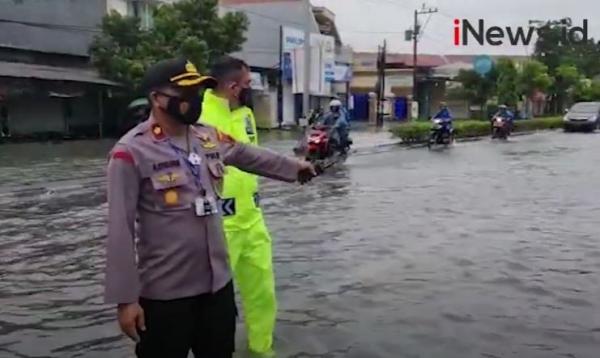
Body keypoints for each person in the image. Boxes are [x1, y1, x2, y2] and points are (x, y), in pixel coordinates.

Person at [104, 57, 316, 358]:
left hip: (217, 289)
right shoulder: (130, 152)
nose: (195, 100)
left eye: (198, 93)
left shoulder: (207, 136)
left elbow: (247, 155)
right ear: (157, 98)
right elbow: (119, 231)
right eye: (186, 94)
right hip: (166, 294)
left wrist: (295, 169)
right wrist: (126, 300)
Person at [199, 56, 277, 357]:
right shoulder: (199, 116)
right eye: (246, 85)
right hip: (217, 226)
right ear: (232, 86)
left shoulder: (246, 115)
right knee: (214, 305)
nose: (250, 90)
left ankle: (262, 350)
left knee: (263, 295)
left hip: (253, 220)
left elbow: (254, 159)